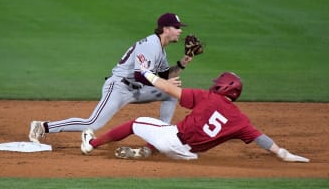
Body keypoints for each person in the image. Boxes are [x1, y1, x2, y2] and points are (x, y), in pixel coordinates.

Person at [29, 12, 201, 143]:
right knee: (93, 123)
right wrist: (163, 83)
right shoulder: (151, 44)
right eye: (177, 27)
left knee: (171, 93)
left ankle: (163, 135)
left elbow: (163, 75)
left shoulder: (160, 49)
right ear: (166, 29)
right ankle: (43, 126)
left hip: (137, 90)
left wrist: (183, 63)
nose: (180, 31)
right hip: (119, 87)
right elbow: (140, 75)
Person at [80, 65, 310, 162]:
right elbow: (261, 139)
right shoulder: (241, 121)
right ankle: (147, 151)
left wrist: (147, 74)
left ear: (223, 87)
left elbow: (171, 89)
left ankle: (92, 143)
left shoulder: (208, 97)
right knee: (168, 130)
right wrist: (283, 154)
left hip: (171, 140)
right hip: (187, 155)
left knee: (136, 123)